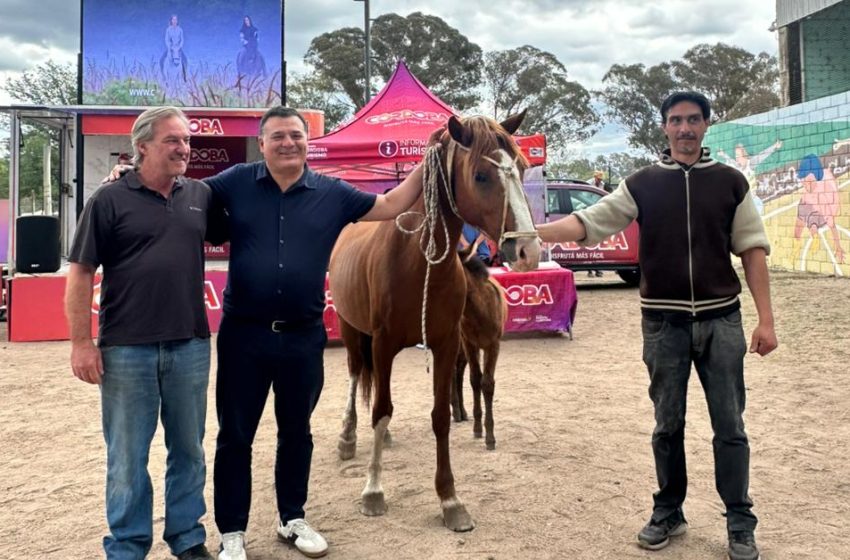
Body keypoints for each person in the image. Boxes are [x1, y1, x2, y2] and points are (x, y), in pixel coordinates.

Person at [536, 91, 777, 560]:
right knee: (667, 425)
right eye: (675, 120)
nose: (684, 128)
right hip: (663, 324)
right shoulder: (641, 184)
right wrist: (532, 232)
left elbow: (751, 248)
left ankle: (740, 522)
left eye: (692, 119)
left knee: (731, 427)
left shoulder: (731, 183)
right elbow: (590, 222)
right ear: (664, 128)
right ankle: (669, 511)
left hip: (721, 320)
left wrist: (766, 320)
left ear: (707, 124)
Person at [205, 107, 439, 560]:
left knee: (297, 432)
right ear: (262, 143)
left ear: (307, 141)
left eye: (296, 135)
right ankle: (232, 531)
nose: (288, 143)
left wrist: (429, 164)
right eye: (278, 137)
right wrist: (129, 175)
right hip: (243, 336)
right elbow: (185, 196)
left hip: (302, 336)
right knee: (235, 436)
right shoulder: (233, 181)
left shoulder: (332, 193)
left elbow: (391, 205)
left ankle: (292, 518)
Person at [66, 107, 222, 560]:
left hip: (191, 343)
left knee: (189, 451)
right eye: (173, 140)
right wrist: (81, 343)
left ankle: (188, 540)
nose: (184, 148)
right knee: (128, 459)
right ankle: (129, 547)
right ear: (142, 147)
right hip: (126, 349)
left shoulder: (200, 195)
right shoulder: (108, 199)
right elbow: (79, 274)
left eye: (187, 141)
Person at [160, 14, 188, 79]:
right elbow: (166, 39)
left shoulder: (180, 30)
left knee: (185, 60)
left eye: (176, 19)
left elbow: (182, 39)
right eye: (173, 19)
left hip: (178, 48)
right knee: (161, 60)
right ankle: (163, 76)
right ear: (171, 21)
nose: (175, 21)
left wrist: (180, 46)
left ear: (177, 21)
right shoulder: (168, 30)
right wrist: (169, 47)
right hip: (171, 48)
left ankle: (184, 77)